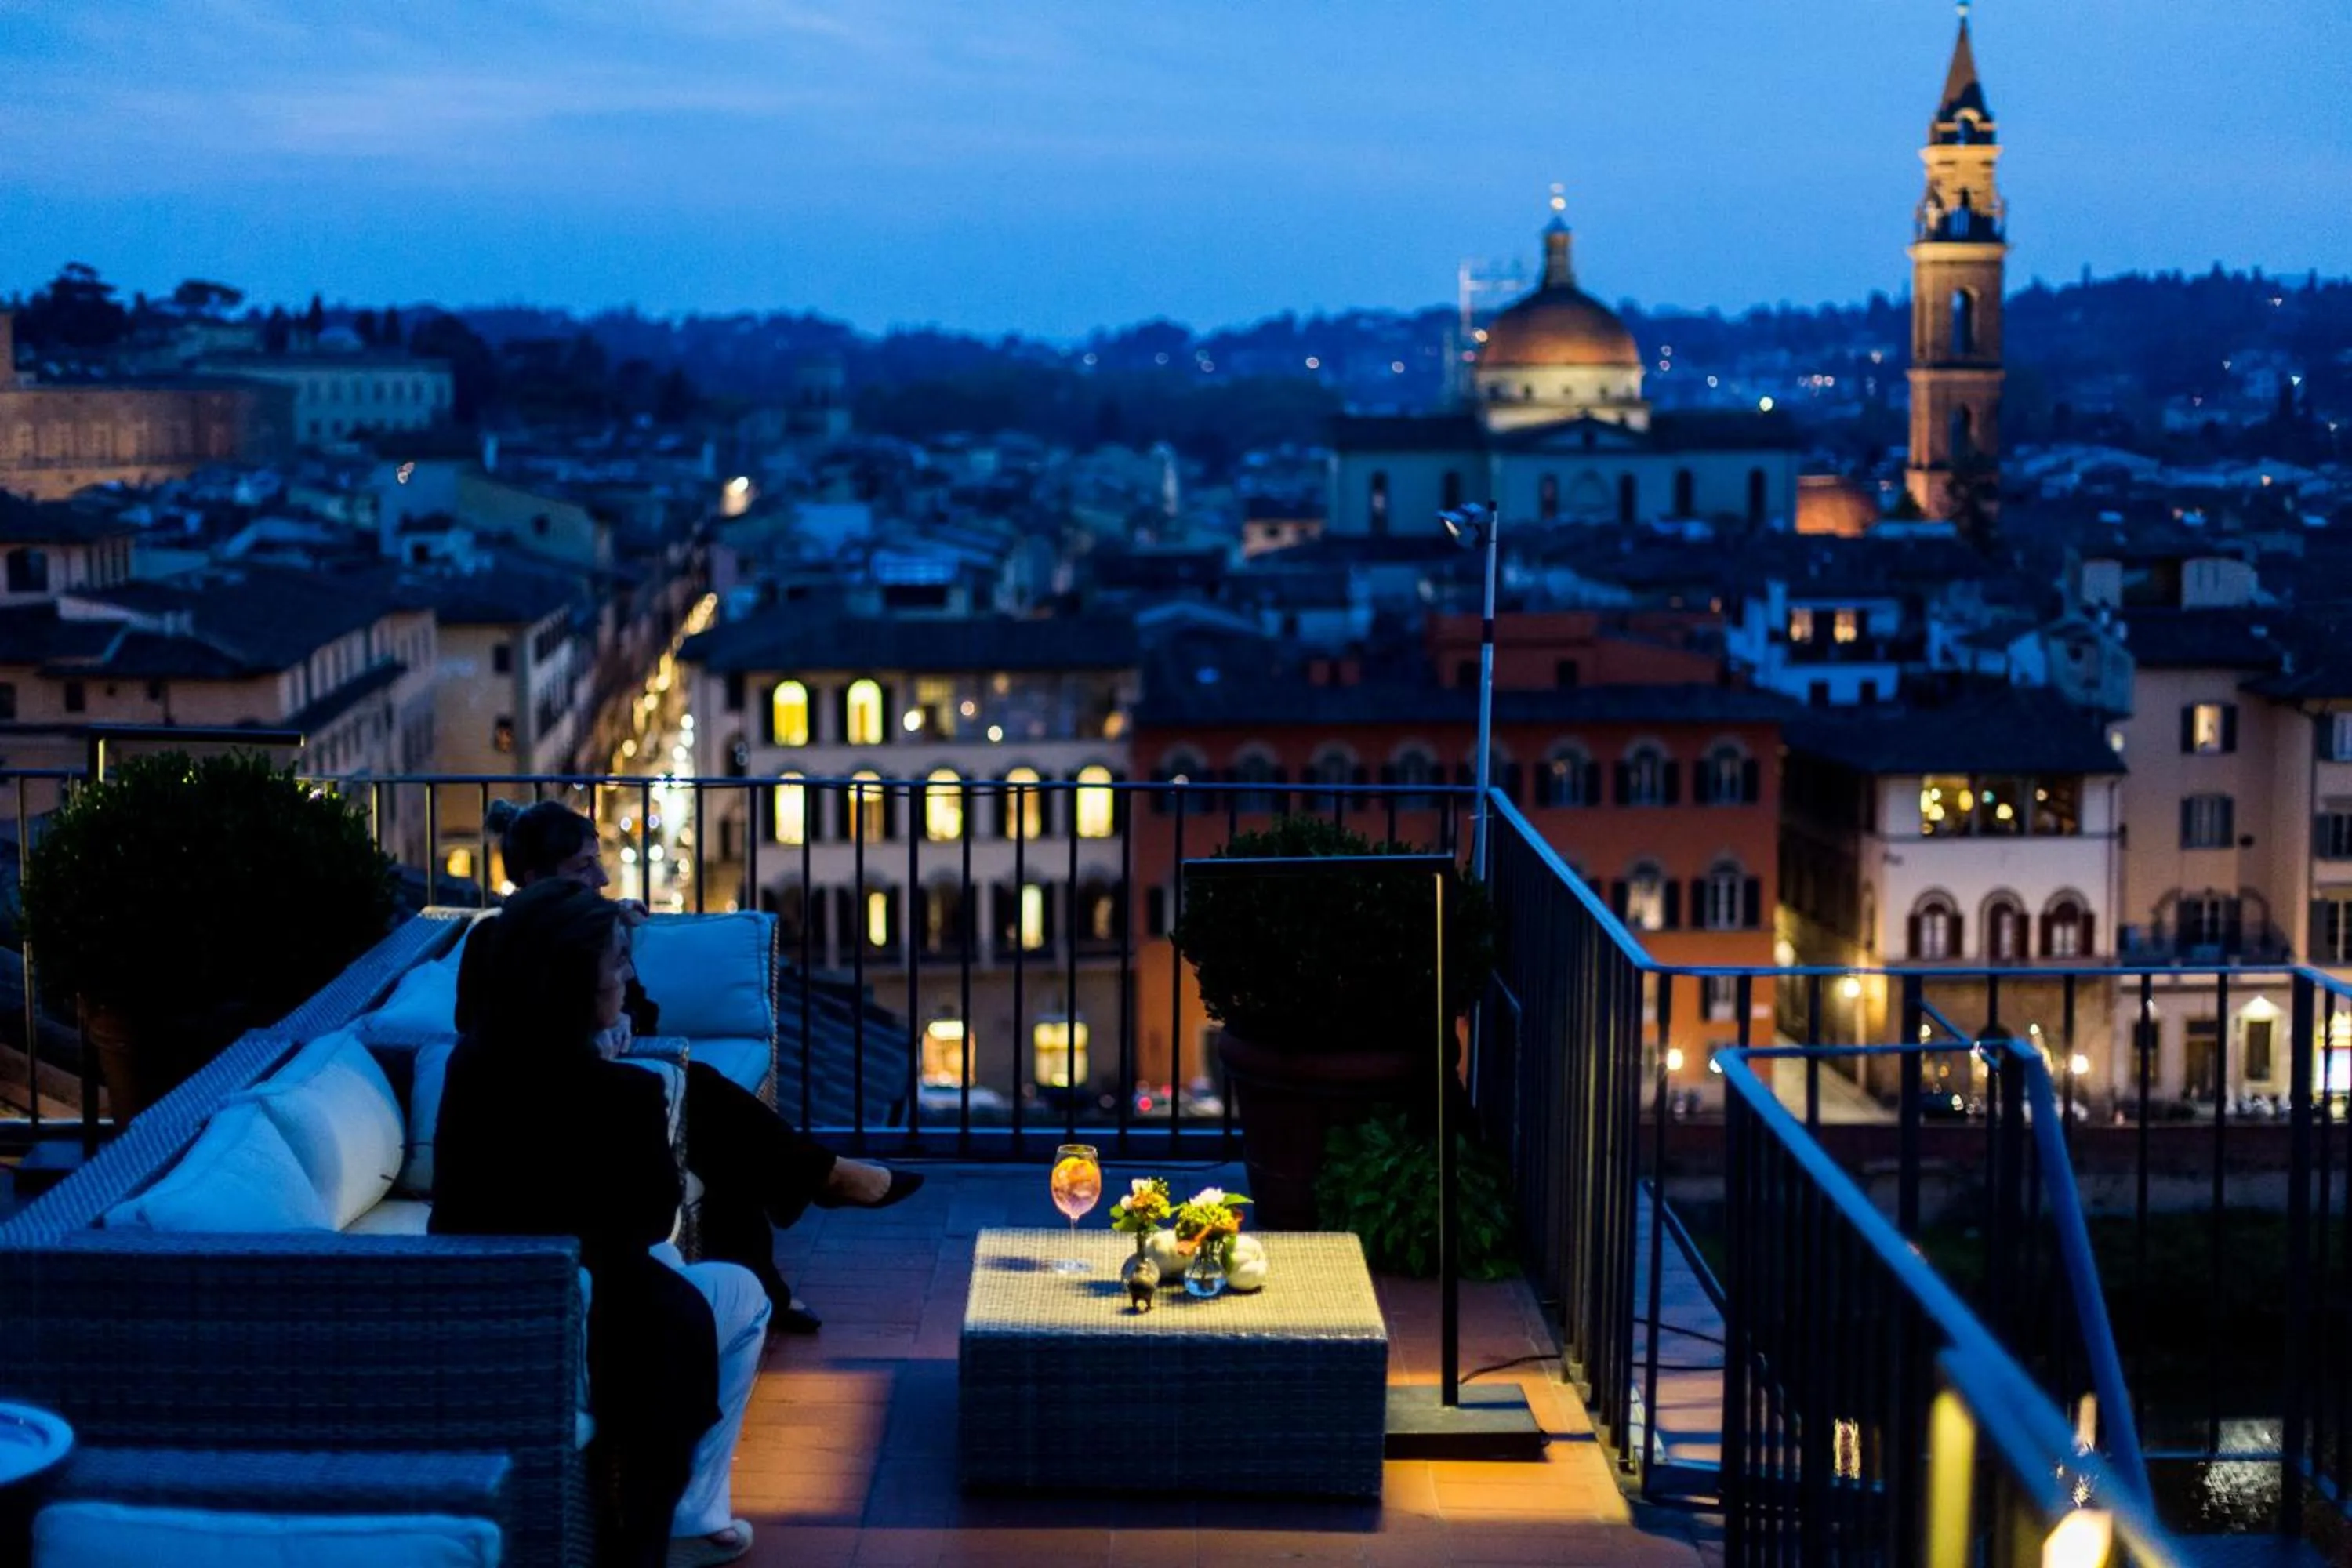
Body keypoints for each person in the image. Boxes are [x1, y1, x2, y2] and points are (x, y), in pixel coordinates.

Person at [485, 799, 921, 1334]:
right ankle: (820, 1184)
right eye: (584, 867)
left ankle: (781, 1256)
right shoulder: (495, 941)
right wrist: (590, 1034)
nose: (602, 879)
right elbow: (489, 1026)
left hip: (607, 1073)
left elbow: (644, 1013)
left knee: (720, 1135)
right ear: (537, 880)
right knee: (711, 1104)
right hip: (561, 1088)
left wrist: (620, 1014)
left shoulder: (593, 931)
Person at [432, 878, 764, 1568]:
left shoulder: (471, 1064)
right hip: (582, 1321)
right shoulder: (624, 1094)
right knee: (742, 1295)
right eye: (619, 961)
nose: (629, 975)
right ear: (578, 981)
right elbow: (652, 1220)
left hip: (483, 1305)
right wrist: (608, 1074)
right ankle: (690, 1520)